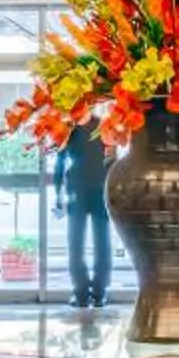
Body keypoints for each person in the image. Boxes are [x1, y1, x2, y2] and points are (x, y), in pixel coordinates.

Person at [57, 121, 115, 309]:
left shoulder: (73, 128)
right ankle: (92, 292)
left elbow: (60, 162)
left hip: (87, 189)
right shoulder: (74, 128)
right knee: (93, 242)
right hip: (88, 188)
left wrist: (58, 192)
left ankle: (88, 292)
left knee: (85, 242)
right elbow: (60, 161)